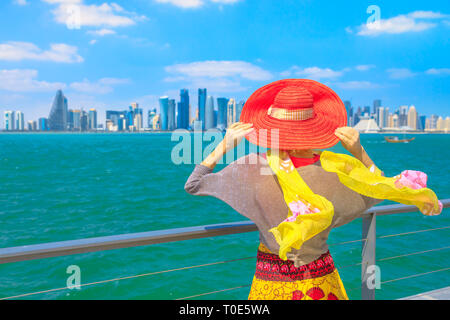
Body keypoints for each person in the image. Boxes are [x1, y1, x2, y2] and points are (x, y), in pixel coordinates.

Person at [184, 79, 441, 300]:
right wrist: (359, 151)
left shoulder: (253, 168)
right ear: (314, 129)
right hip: (321, 279)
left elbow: (194, 185)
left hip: (271, 282)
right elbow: (380, 186)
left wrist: (225, 145)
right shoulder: (335, 171)